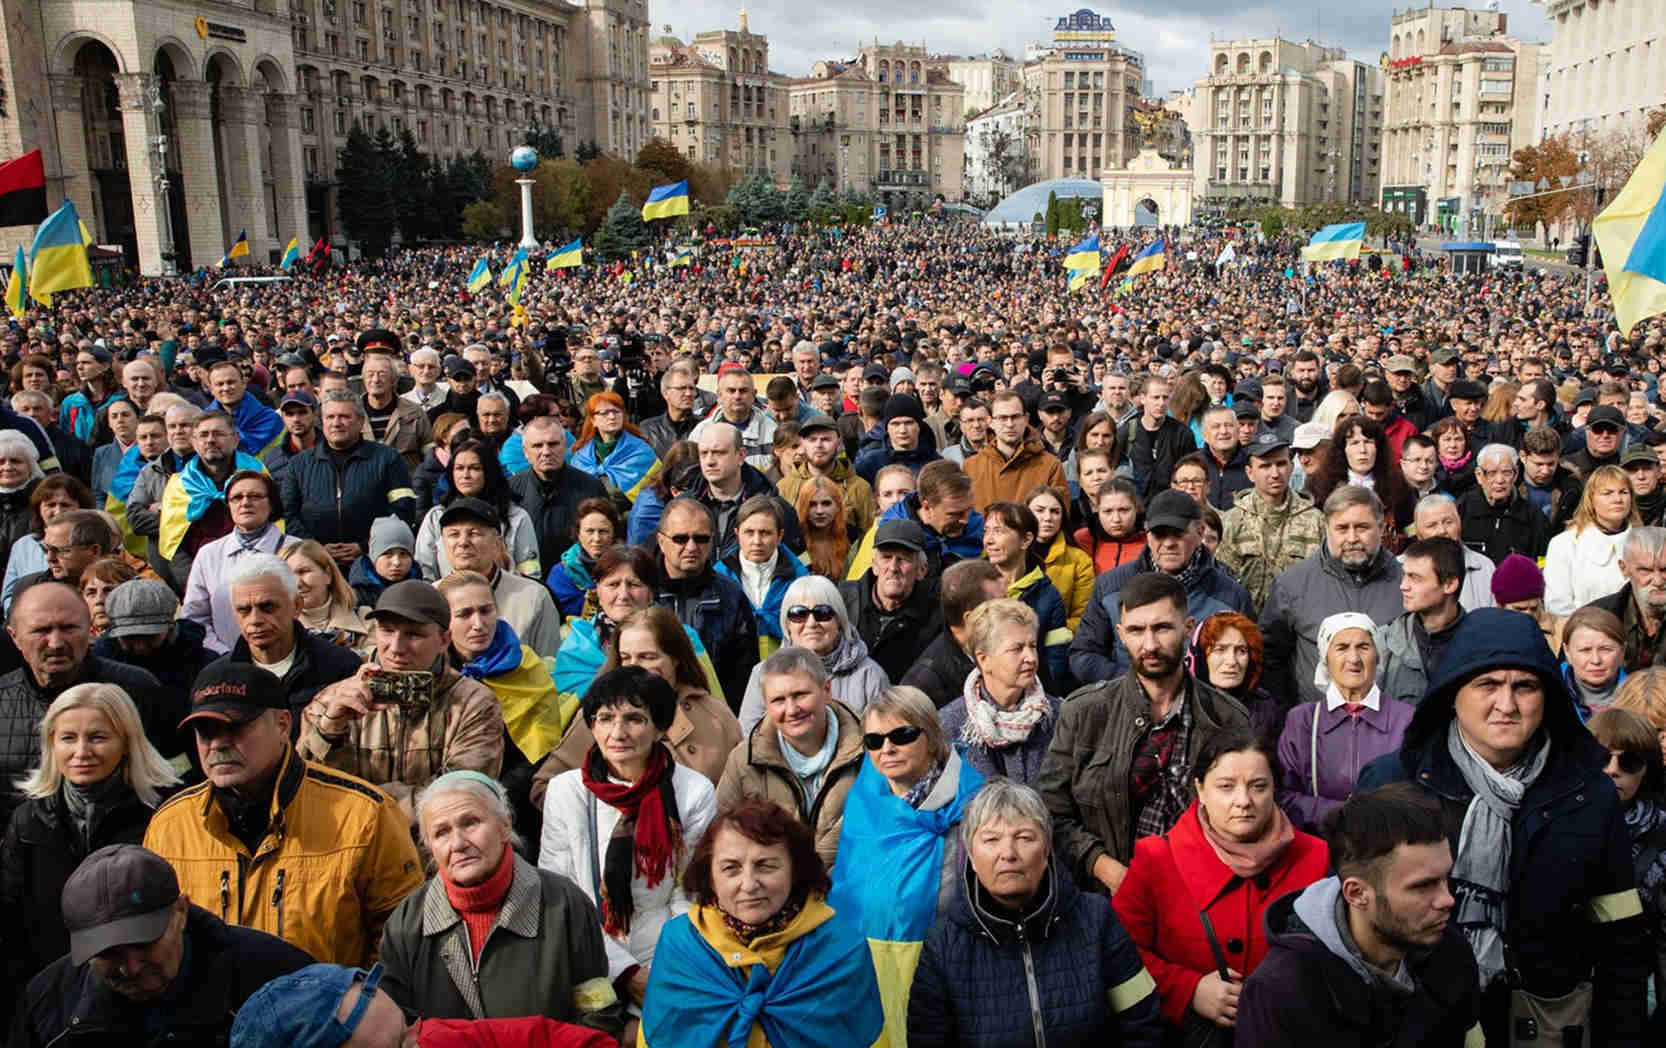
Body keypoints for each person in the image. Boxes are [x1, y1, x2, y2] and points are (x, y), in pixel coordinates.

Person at [1356, 607, 1651, 1046]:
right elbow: (1355, 931)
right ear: (1453, 692)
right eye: (1487, 685)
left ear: (1547, 695)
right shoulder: (1392, 785)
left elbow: (1620, 938)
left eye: (1525, 686)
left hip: (1547, 1023)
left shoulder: (1589, 794)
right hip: (1420, 1027)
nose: (1506, 705)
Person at [143, 661, 424, 967]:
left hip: (329, 1012)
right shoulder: (170, 825)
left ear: (282, 724)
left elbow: (401, 939)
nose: (218, 744)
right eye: (205, 731)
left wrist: (359, 1007)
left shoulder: (364, 814)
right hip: (212, 1014)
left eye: (235, 727)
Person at [907, 777, 1163, 1047]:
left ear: (1047, 849)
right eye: (991, 839)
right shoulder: (943, 944)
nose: (1008, 853)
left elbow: (1142, 1022)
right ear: (971, 856)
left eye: (1024, 837)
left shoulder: (1096, 920)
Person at [1041, 572, 1251, 895]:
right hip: (1103, 898)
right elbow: (1051, 811)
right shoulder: (1083, 713)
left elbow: (1245, 817)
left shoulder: (1227, 718)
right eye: (1137, 630)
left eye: (1162, 628)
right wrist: (1105, 868)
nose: (1149, 644)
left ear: (1188, 627)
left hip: (1201, 896)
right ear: (1121, 635)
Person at [1113, 730, 1329, 1037]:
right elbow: (1120, 953)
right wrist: (1188, 989)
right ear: (1199, 789)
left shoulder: (1316, 857)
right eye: (1226, 787)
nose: (1243, 801)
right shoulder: (1156, 859)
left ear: (1274, 789)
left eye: (1258, 787)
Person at [376, 771, 625, 1036]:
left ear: (505, 825)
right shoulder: (407, 923)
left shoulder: (564, 904)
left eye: (471, 823)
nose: (458, 843)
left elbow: (598, 1014)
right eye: (441, 833)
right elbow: (398, 1031)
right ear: (429, 847)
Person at [1236, 783, 1483, 1047]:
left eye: (1446, 878)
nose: (1447, 900)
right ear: (1356, 893)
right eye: (1423, 886)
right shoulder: (1280, 992)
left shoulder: (1451, 953)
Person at [7, 843, 312, 1048]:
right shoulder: (48, 1006)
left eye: (144, 943)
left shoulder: (280, 980)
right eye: (107, 953)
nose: (130, 967)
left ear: (181, 911)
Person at [636, 799, 886, 1048]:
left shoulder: (842, 949)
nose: (749, 885)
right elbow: (655, 1037)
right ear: (710, 877)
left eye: (765, 866)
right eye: (731, 868)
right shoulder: (681, 945)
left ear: (795, 870)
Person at [538, 667, 716, 1016]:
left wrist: (660, 971)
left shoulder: (693, 791)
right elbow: (561, 893)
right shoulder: (566, 791)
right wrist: (624, 971)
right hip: (587, 949)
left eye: (635, 719)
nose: (617, 733)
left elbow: (690, 893)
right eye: (605, 718)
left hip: (668, 953)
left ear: (660, 728)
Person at [0, 683, 181, 1001]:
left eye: (97, 737)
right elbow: (11, 924)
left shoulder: (165, 814)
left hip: (140, 985)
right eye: (68, 738)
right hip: (49, 993)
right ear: (51, 745)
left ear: (127, 743)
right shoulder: (27, 821)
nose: (82, 752)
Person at [826, 685, 982, 1041]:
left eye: (902, 735)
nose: (887, 749)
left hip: (945, 974)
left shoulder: (974, 805)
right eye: (875, 741)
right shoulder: (862, 802)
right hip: (863, 973)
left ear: (932, 735)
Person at [299, 580, 504, 821]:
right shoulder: (331, 701)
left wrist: (368, 804)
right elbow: (307, 790)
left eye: (414, 634)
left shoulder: (474, 703)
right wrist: (330, 728)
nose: (396, 647)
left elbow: (461, 796)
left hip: (433, 849)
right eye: (387, 630)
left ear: (444, 640)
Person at [0, 581, 180, 828]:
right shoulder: (3, 698)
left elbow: (176, 774)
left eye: (69, 628)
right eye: (41, 630)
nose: (56, 643)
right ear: (15, 637)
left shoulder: (138, 689)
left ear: (91, 630)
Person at [536, 605, 741, 798]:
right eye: (626, 658)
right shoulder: (599, 714)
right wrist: (610, 810)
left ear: (676, 658)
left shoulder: (715, 715)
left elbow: (744, 789)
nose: (634, 667)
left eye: (648, 657)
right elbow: (545, 787)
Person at [437, 571, 570, 834]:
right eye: (464, 614)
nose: (479, 624)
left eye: (486, 611)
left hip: (517, 807)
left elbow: (541, 749)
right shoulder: (433, 673)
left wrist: (497, 799)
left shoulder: (525, 663)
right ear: (444, 621)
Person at [1071, 490, 1252, 683]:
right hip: (1127, 705)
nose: (1168, 543)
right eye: (1159, 534)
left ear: (1200, 533)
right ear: (1147, 535)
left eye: (1178, 534)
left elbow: (1250, 663)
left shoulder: (1232, 596)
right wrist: (1138, 685)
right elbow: (1084, 655)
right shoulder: (1110, 586)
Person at [716, 646, 867, 869]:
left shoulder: (870, 747)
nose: (792, 709)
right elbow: (721, 836)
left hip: (852, 886)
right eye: (778, 700)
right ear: (766, 705)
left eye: (800, 695)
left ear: (826, 690)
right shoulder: (744, 760)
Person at [1260, 486, 1406, 706]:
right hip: (1315, 725)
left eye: (1362, 527)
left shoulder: (1407, 583)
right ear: (1326, 528)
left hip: (1391, 727)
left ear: (1381, 527)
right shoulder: (1292, 585)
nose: (1352, 537)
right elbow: (1270, 659)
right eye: (1342, 528)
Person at [1278, 613, 1414, 833]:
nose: (1354, 658)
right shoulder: (1302, 721)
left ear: (1378, 656)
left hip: (1389, 847)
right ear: (1325, 658)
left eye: (1363, 647)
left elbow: (1419, 794)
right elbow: (1283, 796)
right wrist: (1343, 813)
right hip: (1322, 848)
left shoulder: (1406, 719)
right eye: (1341, 647)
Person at [280, 392, 418, 570]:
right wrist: (316, 548)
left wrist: (365, 546)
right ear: (321, 421)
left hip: (372, 563)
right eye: (330, 417)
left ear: (361, 422)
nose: (336, 423)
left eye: (344, 417)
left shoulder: (387, 459)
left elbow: (404, 509)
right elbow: (289, 515)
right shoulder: (299, 464)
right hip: (316, 564)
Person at [1587, 707, 1666, 1015]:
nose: (1612, 769)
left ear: (1648, 770)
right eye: (1601, 758)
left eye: (1629, 761)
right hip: (1566, 983)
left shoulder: (1660, 831)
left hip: (1632, 987)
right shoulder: (1555, 823)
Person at [739, 574, 889, 736]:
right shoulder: (762, 674)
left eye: (822, 613)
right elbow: (749, 738)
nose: (811, 623)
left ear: (839, 621)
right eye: (799, 614)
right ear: (787, 624)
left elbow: (882, 740)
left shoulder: (870, 676)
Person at [939, 598, 1058, 785]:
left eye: (1032, 646)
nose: (1030, 657)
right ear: (984, 659)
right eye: (1017, 649)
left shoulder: (1058, 716)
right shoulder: (951, 725)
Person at [655, 497, 758, 706]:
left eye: (700, 539)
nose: (692, 547)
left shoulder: (731, 595)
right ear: (661, 541)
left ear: (712, 541)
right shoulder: (640, 591)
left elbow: (745, 675)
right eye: (681, 539)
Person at [180, 469, 294, 654]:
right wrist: (225, 655)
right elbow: (195, 618)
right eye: (237, 497)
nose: (245, 503)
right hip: (223, 661)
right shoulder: (208, 554)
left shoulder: (295, 549)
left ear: (272, 504)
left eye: (255, 496)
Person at [1217, 431, 1324, 614]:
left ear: (1291, 467)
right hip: (1245, 626)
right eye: (1265, 466)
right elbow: (1221, 584)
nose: (1275, 473)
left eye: (1281, 464)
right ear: (1250, 473)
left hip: (1299, 626)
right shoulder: (1231, 522)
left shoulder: (1315, 520)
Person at [415, 438, 541, 580]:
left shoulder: (516, 517)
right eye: (459, 468)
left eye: (475, 468)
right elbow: (424, 570)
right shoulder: (436, 516)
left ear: (489, 472)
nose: (465, 475)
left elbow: (531, 572)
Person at [982, 501, 1072, 689]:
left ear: (1026, 540)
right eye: (986, 531)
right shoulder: (974, 586)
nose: (988, 540)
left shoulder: (1048, 596)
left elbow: (1055, 660)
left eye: (998, 531)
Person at [846, 459, 984, 582]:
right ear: (927, 507)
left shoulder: (981, 529)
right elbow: (858, 593)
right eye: (954, 514)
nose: (965, 520)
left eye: (969, 510)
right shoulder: (884, 536)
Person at [1375, 537, 1468, 706]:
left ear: (1449, 584)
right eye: (1404, 575)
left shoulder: (1479, 644)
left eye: (1415, 578)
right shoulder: (1384, 641)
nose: (1403, 585)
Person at [902, 558, 1005, 710]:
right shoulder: (923, 684)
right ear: (972, 619)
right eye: (1000, 605)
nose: (1011, 609)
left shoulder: (1012, 649)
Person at [715, 495, 807, 660]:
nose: (756, 541)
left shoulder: (800, 579)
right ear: (737, 534)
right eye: (749, 532)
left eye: (765, 533)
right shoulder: (719, 577)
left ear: (779, 536)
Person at [90, 576, 214, 698]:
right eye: (129, 638)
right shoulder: (97, 667)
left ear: (171, 627)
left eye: (150, 637)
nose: (140, 647)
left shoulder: (204, 665)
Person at [1544, 463, 1639, 614]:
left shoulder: (1645, 542)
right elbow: (1558, 606)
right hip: (1584, 631)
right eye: (1607, 493)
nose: (1617, 499)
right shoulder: (1565, 544)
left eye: (1623, 492)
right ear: (1591, 499)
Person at [1187, 610, 1286, 741]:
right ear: (1200, 656)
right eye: (1220, 649)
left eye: (1241, 650)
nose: (1232, 661)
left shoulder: (1266, 709)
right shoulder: (1182, 705)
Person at [777, 411, 878, 539]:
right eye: (812, 440)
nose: (819, 445)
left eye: (826, 439)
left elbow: (868, 537)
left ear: (839, 442)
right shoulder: (784, 487)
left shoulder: (859, 488)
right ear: (803, 443)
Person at [966, 391, 1066, 509]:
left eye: (1015, 417)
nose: (1009, 424)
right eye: (1002, 418)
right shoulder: (971, 467)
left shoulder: (1050, 465)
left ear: (1026, 419)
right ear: (990, 422)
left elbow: (1059, 520)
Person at [1586, 526, 1666, 671]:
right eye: (1646, 570)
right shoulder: (1595, 619)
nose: (1658, 581)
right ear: (1624, 569)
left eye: (1665, 570)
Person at [1457, 443, 1552, 564]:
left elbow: (1543, 561)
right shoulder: (1462, 509)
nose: (1500, 480)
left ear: (1515, 474)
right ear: (1479, 476)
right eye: (1491, 473)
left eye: (1506, 472)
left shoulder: (1533, 518)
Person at [283, 539, 376, 654]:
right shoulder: (278, 628)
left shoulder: (365, 618)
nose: (297, 583)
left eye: (304, 571)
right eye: (288, 575)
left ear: (328, 574)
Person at [568, 391, 661, 504]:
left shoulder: (641, 451)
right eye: (605, 413)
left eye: (616, 411)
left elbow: (653, 498)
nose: (612, 417)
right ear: (593, 420)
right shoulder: (580, 457)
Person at [1119, 374, 1196, 500]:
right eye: (1155, 397)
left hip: (1171, 505)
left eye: (1165, 397)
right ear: (1143, 398)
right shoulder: (1126, 432)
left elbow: (1190, 472)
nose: (1161, 403)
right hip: (1136, 506)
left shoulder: (1182, 433)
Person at [547, 497, 623, 620]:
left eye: (603, 531)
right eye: (590, 531)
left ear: (614, 533)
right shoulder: (561, 574)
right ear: (578, 534)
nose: (597, 538)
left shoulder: (628, 567)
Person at [1561, 605, 1628, 720]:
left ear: (1622, 651)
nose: (1596, 660)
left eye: (1605, 649)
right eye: (1585, 650)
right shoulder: (1547, 691)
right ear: (1567, 652)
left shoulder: (1641, 696)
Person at [1076, 477, 1147, 574]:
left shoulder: (1150, 541)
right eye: (1108, 511)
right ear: (1097, 510)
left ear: (1136, 509)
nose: (1116, 519)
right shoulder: (1082, 539)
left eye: (1123, 510)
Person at [349, 516, 420, 608]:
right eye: (388, 554)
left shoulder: (421, 590)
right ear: (373, 557)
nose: (396, 562)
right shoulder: (355, 595)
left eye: (403, 554)